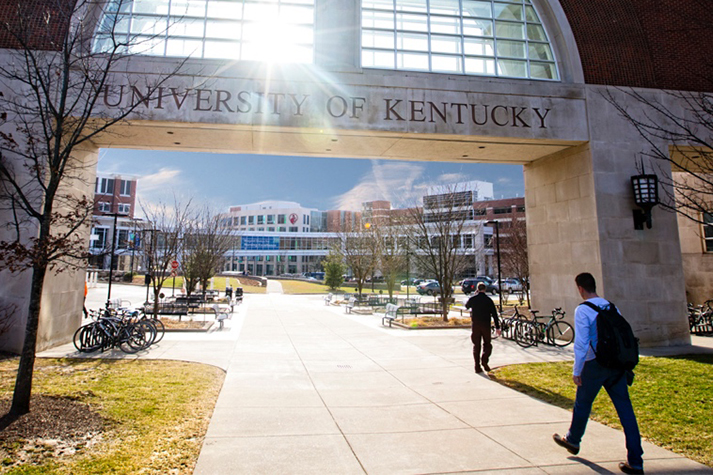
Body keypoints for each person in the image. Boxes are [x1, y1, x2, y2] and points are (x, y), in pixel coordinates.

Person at [553, 272, 644, 474]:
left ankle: (574, 440)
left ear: (580, 289)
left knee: (583, 404)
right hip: (617, 365)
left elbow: (582, 343)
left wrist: (577, 371)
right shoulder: (611, 306)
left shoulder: (583, 310)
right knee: (626, 411)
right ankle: (636, 461)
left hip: (594, 365)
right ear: (594, 286)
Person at [465, 282, 501, 373]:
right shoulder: (488, 300)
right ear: (485, 289)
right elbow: (494, 314)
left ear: (477, 289)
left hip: (476, 325)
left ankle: (477, 366)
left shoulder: (473, 299)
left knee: (476, 346)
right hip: (486, 324)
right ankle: (484, 360)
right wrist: (497, 327)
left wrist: (474, 295)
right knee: (487, 344)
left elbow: (466, 306)